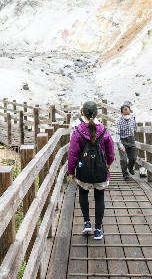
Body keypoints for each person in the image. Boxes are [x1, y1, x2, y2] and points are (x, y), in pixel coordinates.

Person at [67, 101, 115, 240]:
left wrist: (71, 171)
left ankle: (87, 222)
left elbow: (73, 153)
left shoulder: (77, 131)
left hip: (84, 170)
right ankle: (98, 229)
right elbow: (111, 150)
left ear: (82, 113)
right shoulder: (104, 131)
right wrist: (109, 163)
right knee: (100, 197)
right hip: (101, 169)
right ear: (97, 113)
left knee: (83, 193)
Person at [113, 101, 137, 180]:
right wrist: (120, 145)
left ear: (130, 111)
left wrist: (134, 135)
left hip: (131, 139)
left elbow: (135, 127)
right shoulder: (118, 121)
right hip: (122, 140)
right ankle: (125, 174)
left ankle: (130, 168)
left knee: (133, 158)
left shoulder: (132, 118)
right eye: (125, 114)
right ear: (122, 113)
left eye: (128, 113)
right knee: (123, 159)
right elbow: (116, 134)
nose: (127, 115)